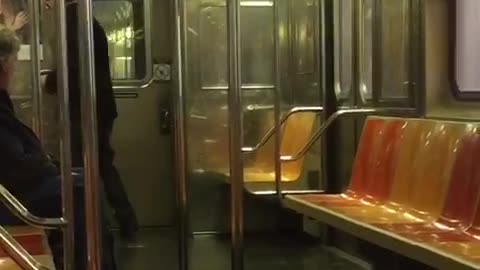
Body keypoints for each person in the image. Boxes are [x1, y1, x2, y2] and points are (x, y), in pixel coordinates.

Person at [0, 26, 117, 270]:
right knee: (81, 191)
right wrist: (47, 164)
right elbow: (15, 165)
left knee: (83, 181)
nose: (15, 68)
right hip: (11, 200)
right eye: (13, 61)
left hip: (13, 190)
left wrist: (47, 163)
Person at [44, 0, 138, 239]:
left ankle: (96, 225)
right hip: (98, 107)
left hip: (88, 108)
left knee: (81, 166)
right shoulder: (82, 19)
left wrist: (50, 82)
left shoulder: (73, 21)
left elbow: (74, 66)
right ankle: (123, 220)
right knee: (102, 164)